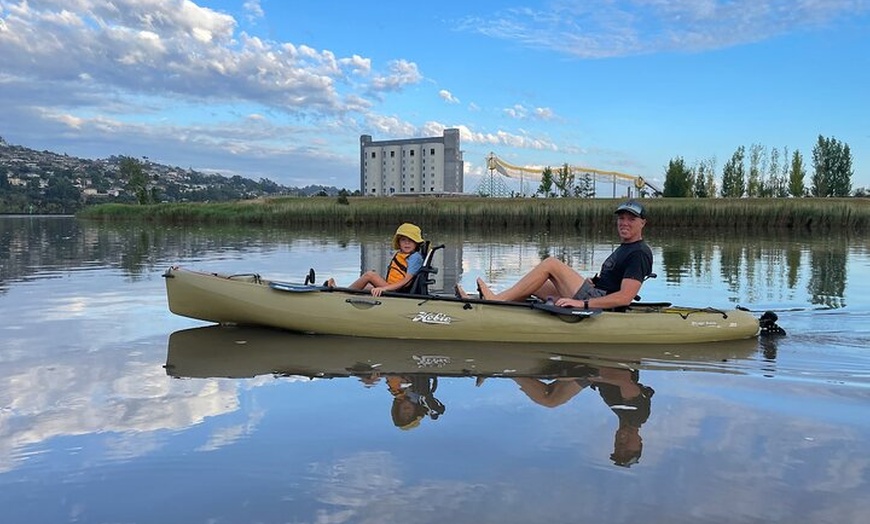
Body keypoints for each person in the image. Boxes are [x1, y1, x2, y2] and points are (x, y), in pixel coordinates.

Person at [457, 200, 652, 310]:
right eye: (621, 218)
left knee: (551, 264)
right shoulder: (625, 248)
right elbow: (613, 281)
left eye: (631, 219)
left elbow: (625, 298)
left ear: (642, 222)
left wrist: (581, 303)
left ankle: (493, 303)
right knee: (538, 283)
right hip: (596, 293)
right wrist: (595, 282)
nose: (624, 223)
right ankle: (495, 302)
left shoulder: (639, 253)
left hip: (600, 304)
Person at [327, 222, 425, 297]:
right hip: (394, 288)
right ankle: (341, 291)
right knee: (367, 286)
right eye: (403, 240)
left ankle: (341, 294)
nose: (407, 243)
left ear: (416, 243)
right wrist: (383, 287)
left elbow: (405, 281)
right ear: (399, 242)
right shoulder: (402, 254)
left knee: (370, 275)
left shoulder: (415, 257)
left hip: (399, 291)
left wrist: (384, 289)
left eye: (410, 240)